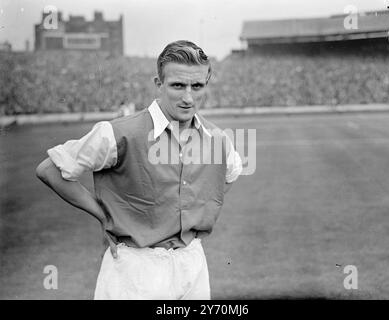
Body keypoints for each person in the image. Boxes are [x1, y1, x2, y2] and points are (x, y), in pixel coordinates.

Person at [36, 40, 243, 300]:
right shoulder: (118, 133)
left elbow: (230, 174)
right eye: (178, 85)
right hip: (135, 269)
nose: (188, 97)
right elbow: (49, 170)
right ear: (159, 84)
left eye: (197, 86)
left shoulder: (218, 139)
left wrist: (196, 205)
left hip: (193, 263)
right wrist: (103, 217)